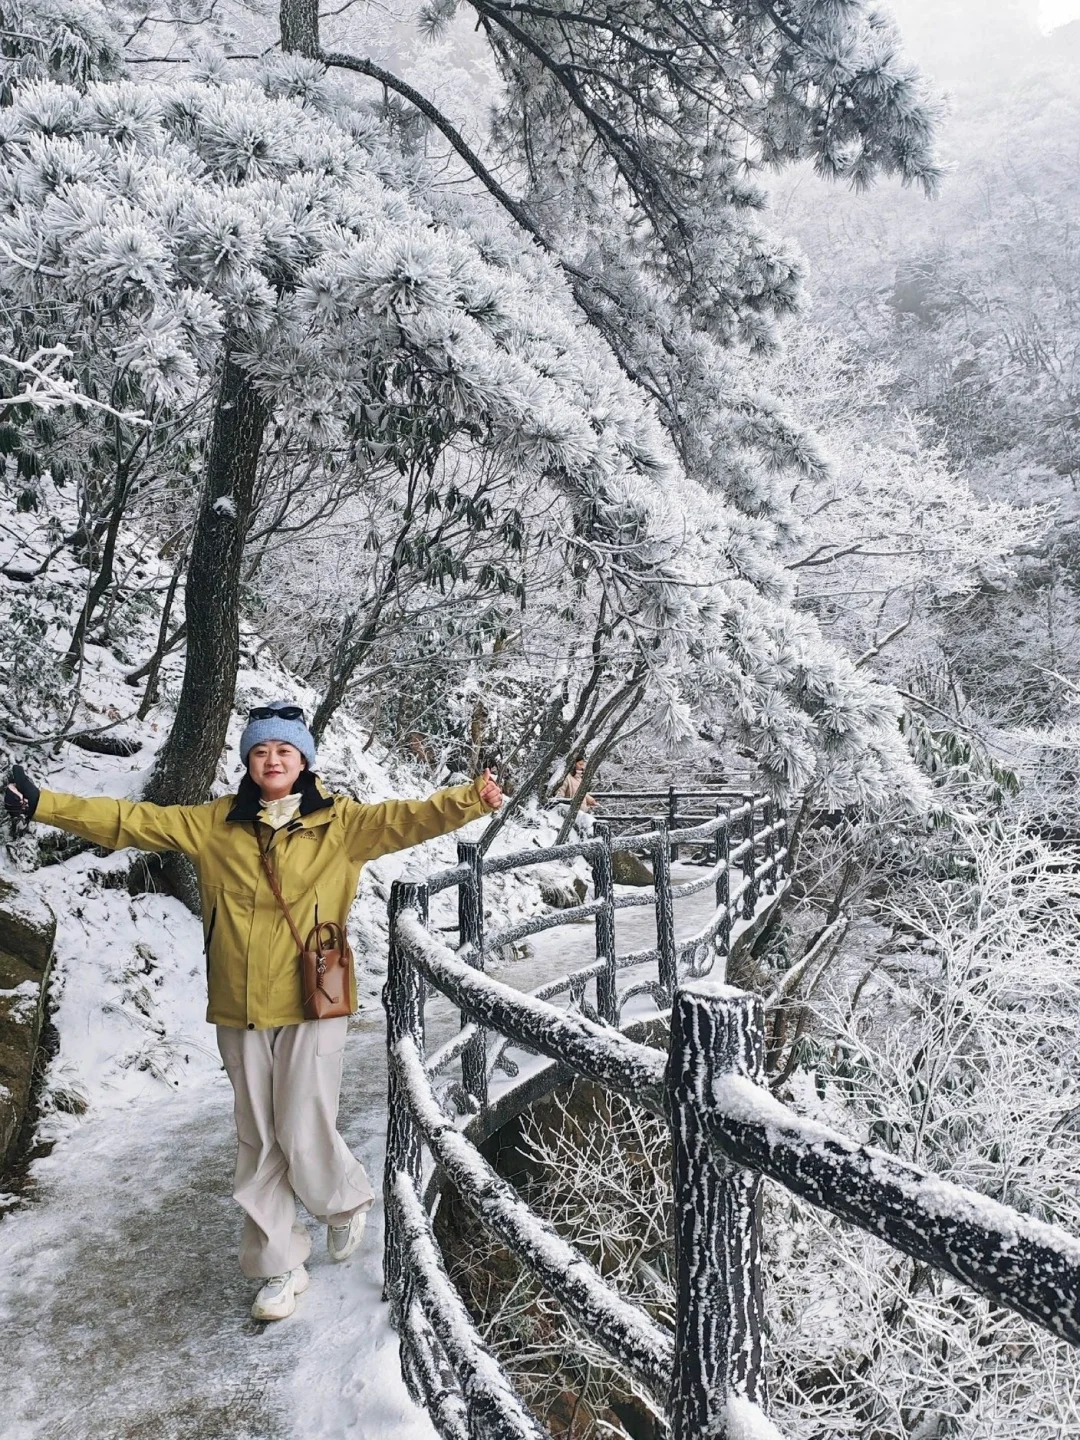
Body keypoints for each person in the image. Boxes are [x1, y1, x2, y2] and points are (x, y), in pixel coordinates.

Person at [3, 700, 503, 1322]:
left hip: (313, 1000)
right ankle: (278, 1264)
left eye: (284, 751)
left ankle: (342, 1202)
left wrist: (469, 799)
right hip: (239, 1005)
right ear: (247, 760)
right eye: (261, 751)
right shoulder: (214, 824)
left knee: (300, 1121)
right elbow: (131, 820)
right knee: (257, 1136)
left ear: (304, 761)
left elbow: (408, 818)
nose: (272, 760)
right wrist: (44, 804)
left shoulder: (341, 824)